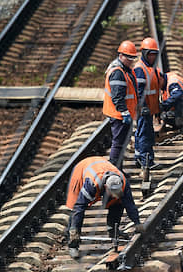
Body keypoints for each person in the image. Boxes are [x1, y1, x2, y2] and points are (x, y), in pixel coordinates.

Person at [65, 156, 143, 258]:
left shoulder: (123, 182)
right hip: (82, 170)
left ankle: (112, 230)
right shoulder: (91, 184)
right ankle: (73, 244)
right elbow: (79, 207)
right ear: (106, 187)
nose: (115, 194)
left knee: (118, 201)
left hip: (101, 164)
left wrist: (137, 222)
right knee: (75, 205)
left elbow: (129, 204)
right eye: (113, 192)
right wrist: (74, 229)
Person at [103, 40, 138, 168]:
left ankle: (118, 169)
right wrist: (124, 113)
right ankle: (114, 169)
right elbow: (117, 96)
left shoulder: (124, 69)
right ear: (121, 55)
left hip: (122, 114)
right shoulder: (118, 72)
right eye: (128, 58)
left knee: (121, 143)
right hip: (119, 115)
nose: (131, 61)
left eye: (132, 58)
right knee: (118, 143)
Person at [134, 37, 162, 169]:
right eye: (150, 54)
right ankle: (146, 161)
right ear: (144, 53)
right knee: (145, 133)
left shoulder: (150, 68)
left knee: (144, 132)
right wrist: (143, 106)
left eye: (154, 54)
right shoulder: (140, 69)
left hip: (149, 108)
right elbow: (139, 91)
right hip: (144, 109)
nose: (152, 57)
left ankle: (139, 157)